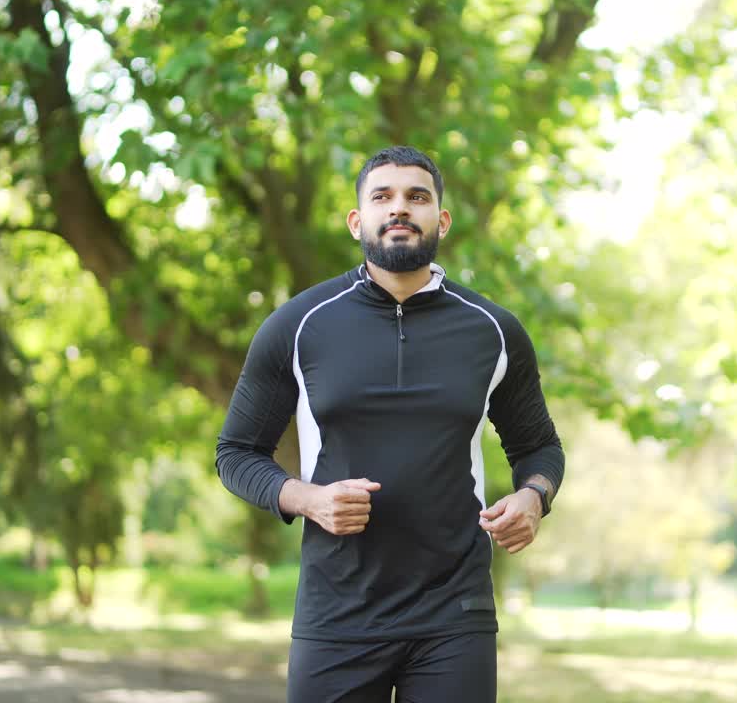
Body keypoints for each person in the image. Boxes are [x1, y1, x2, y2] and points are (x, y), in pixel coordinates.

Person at [215, 145, 564, 703]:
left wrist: (533, 497)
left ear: (441, 220)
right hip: (337, 610)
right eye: (382, 196)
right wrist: (306, 499)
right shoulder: (298, 325)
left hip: (455, 611)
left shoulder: (493, 329)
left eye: (417, 197)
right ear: (358, 219)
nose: (399, 208)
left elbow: (539, 446)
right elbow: (235, 452)